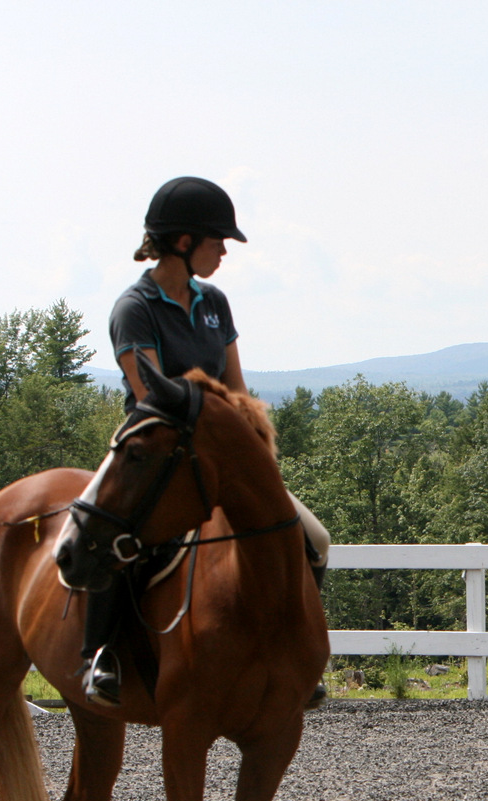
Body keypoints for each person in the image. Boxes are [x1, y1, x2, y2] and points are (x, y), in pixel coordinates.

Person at [80, 176, 331, 707]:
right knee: (123, 540)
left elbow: (237, 390)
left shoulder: (215, 302)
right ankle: (99, 655)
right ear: (184, 242)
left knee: (314, 538)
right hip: (154, 453)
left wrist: (251, 456)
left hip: (221, 455)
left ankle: (294, 651)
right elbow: (151, 397)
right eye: (217, 240)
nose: (223, 251)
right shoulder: (135, 308)